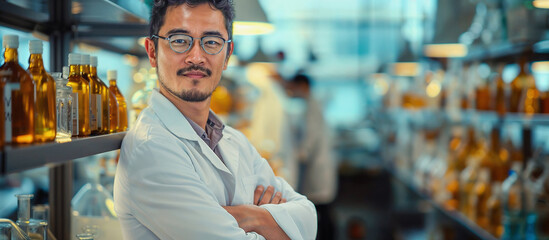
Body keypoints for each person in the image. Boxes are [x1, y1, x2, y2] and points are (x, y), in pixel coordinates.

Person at [113, 0, 317, 239]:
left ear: (227, 55)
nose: (196, 57)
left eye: (211, 42)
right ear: (152, 52)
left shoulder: (233, 139)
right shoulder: (151, 149)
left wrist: (252, 217)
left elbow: (308, 217)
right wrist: (272, 221)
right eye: (179, 40)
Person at [285, 73, 338, 240]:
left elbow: (310, 138)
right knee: (323, 213)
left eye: (294, 88)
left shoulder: (312, 107)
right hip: (320, 167)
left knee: (322, 215)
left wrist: (298, 153)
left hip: (319, 169)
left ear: (303, 86)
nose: (293, 92)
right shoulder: (311, 105)